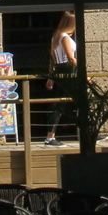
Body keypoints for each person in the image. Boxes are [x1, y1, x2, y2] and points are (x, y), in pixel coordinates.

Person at [42, 11, 77, 146]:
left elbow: (53, 60)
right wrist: (84, 73)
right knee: (65, 102)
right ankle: (50, 136)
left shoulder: (56, 37)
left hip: (60, 70)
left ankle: (50, 136)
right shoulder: (64, 38)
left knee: (60, 103)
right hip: (69, 70)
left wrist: (51, 77)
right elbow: (70, 58)